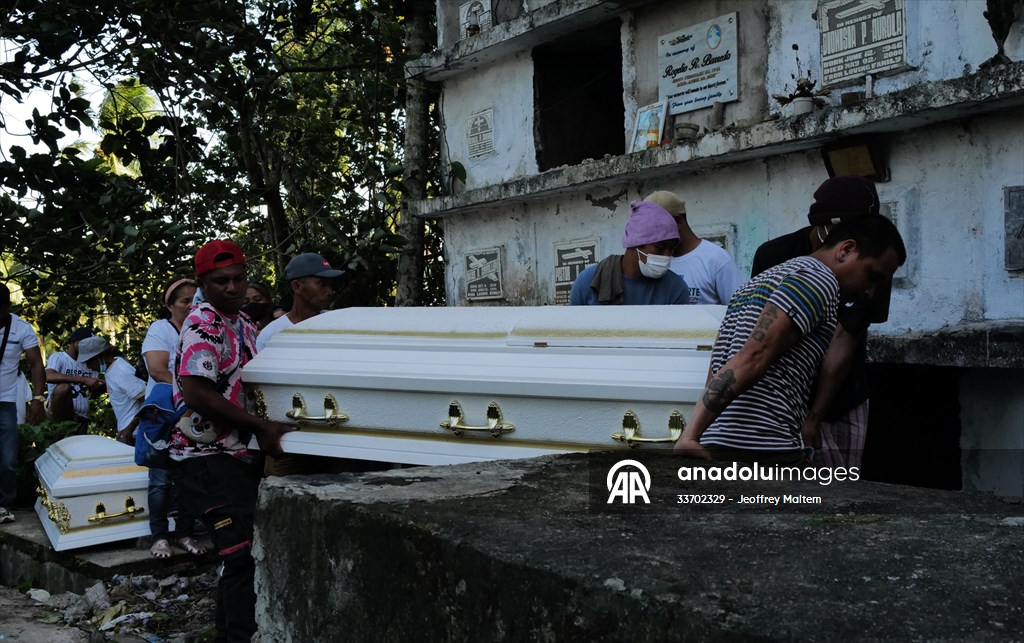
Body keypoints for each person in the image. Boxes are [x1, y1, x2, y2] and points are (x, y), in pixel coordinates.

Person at [674, 214, 905, 465]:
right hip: (763, 445)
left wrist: (700, 433)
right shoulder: (819, 280)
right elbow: (754, 355)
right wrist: (691, 435)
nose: (870, 292)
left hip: (721, 442)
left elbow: (718, 367)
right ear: (846, 250)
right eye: (873, 276)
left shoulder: (755, 284)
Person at [170, 239, 294, 642]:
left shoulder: (242, 322)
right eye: (221, 281)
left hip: (233, 455)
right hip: (205, 457)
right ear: (203, 283)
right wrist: (260, 427)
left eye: (239, 278)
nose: (233, 287)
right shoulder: (203, 323)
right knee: (240, 554)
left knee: (238, 556)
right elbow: (196, 392)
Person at [750, 176, 891, 468]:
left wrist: (815, 416)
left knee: (840, 492)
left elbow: (843, 339)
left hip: (842, 397)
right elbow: (760, 340)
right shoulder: (774, 256)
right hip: (781, 396)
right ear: (827, 225)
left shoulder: (874, 264)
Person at [139, 277, 205, 558]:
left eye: (195, 300)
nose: (191, 306)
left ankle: (184, 532)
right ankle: (159, 536)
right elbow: (156, 369)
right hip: (165, 414)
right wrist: (190, 390)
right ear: (169, 305)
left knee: (190, 475)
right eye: (184, 301)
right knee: (161, 479)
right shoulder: (160, 330)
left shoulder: (202, 329)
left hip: (193, 412)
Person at [569, 201, 691, 305]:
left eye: (671, 250)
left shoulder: (676, 289)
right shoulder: (588, 282)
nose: (667, 256)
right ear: (636, 243)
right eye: (660, 248)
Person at [644, 190, 744, 305]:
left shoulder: (717, 259)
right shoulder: (654, 262)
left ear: (678, 221)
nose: (652, 235)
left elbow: (738, 311)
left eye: (657, 227)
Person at [1, 284, 46, 524]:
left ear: (6, 306)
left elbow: (36, 364)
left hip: (6, 401)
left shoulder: (21, 328)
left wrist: (37, 399)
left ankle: (4, 504)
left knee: (8, 459)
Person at [255, 253, 344, 352]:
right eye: (321, 283)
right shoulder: (270, 336)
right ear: (297, 286)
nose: (329, 292)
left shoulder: (339, 324)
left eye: (330, 284)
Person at [76, 336, 146, 442]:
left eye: (89, 361)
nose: (88, 366)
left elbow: (147, 401)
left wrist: (130, 428)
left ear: (99, 357)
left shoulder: (121, 371)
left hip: (136, 434)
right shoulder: (111, 370)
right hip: (128, 433)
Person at [45, 327, 103, 429]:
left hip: (82, 419)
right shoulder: (59, 357)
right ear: (73, 342)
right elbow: (47, 376)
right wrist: (83, 379)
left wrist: (102, 386)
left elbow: (93, 393)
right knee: (63, 388)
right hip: (59, 417)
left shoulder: (90, 363)